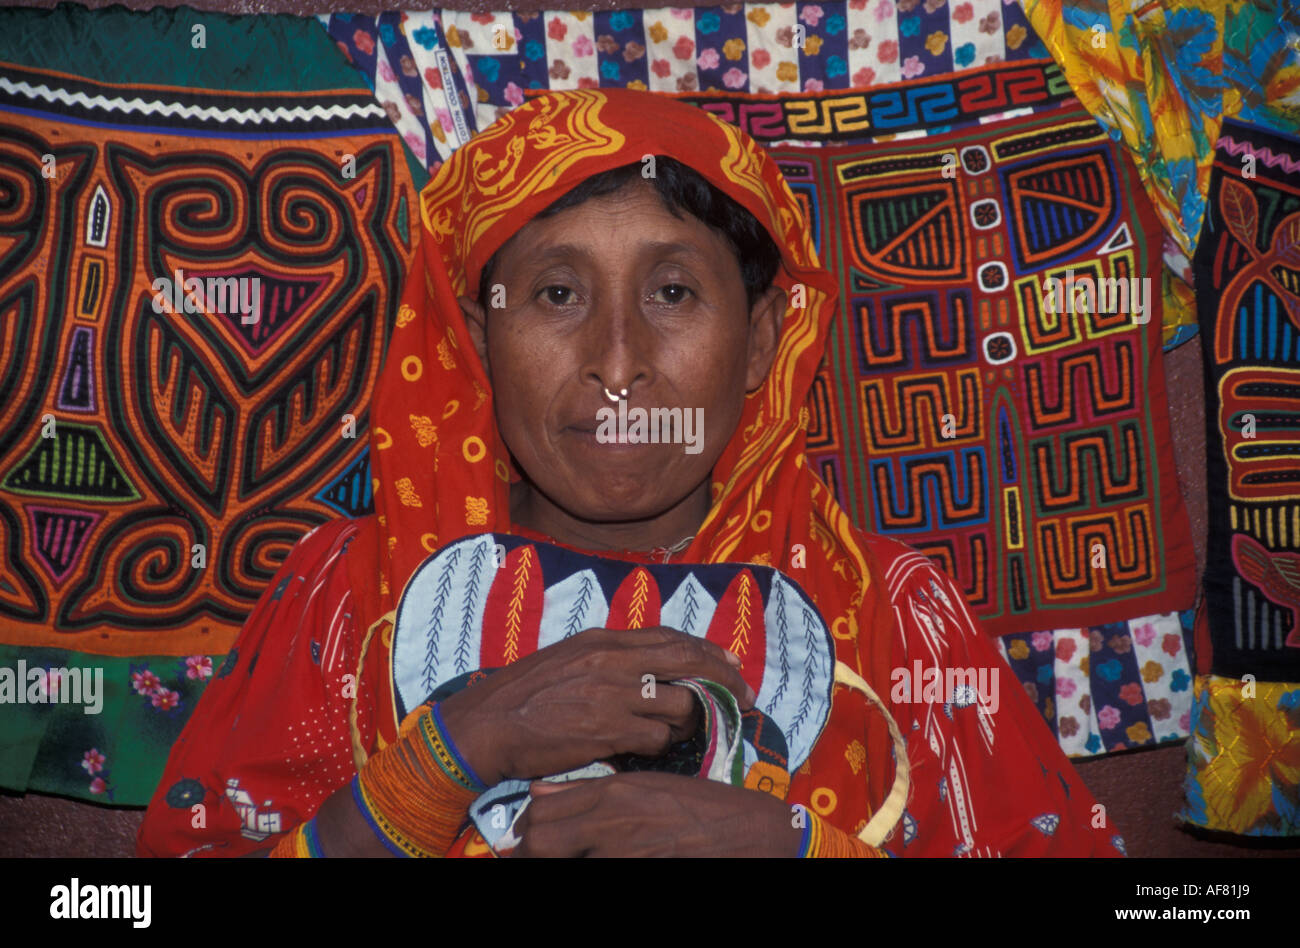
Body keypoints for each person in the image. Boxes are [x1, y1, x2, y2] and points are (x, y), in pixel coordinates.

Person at [137, 88, 1123, 858]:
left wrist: (790, 846)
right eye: (557, 292)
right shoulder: (349, 598)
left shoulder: (891, 614)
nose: (616, 362)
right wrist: (444, 762)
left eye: (674, 291)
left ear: (759, 342)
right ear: (480, 338)